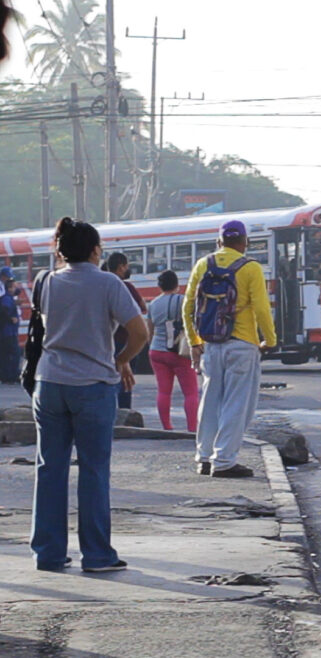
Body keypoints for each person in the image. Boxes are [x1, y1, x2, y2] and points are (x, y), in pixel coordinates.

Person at [32, 217, 148, 573]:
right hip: (93, 386)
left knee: (50, 469)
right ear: (96, 250)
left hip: (49, 384)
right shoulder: (108, 283)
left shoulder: (47, 281)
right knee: (94, 471)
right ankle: (97, 556)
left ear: (60, 250)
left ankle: (49, 554)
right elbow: (139, 333)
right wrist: (120, 361)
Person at [183, 220, 278, 478]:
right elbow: (261, 309)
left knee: (210, 401)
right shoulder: (250, 268)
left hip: (211, 345)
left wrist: (194, 341)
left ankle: (204, 458)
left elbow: (188, 307)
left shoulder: (203, 265)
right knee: (237, 404)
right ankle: (224, 461)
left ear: (219, 242)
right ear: (245, 243)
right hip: (242, 345)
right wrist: (270, 340)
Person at [147, 270, 199, 432]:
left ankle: (166, 427)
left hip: (156, 351)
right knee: (190, 393)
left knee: (164, 391)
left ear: (160, 286)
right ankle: (192, 428)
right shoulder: (182, 301)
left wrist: (154, 345)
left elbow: (150, 329)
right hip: (179, 351)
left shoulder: (153, 304)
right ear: (177, 285)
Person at [104, 252, 147, 409]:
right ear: (121, 266)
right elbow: (142, 308)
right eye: (127, 266)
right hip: (124, 341)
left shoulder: (101, 284)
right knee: (125, 382)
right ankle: (123, 415)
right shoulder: (125, 286)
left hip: (105, 341)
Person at [0, 278, 19, 383]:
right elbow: (4, 310)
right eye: (14, 287)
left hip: (6, 332)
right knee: (14, 354)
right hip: (8, 332)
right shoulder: (7, 298)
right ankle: (12, 376)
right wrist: (11, 319)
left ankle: (5, 376)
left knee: (5, 355)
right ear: (10, 288)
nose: (15, 289)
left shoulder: (6, 297)